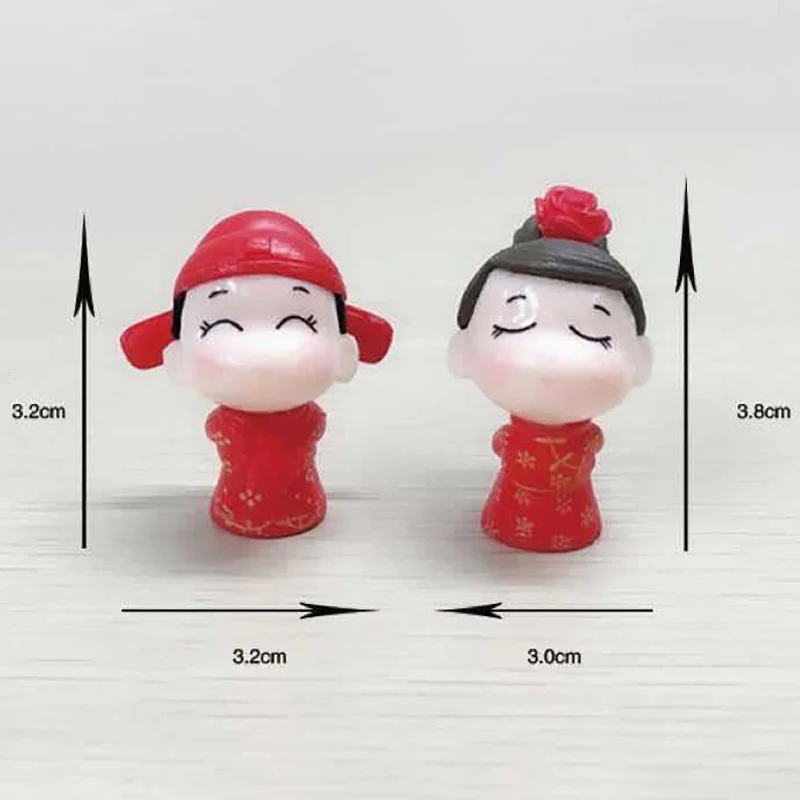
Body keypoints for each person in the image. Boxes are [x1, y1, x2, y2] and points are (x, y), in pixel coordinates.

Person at [121, 211, 393, 538]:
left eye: (300, 322)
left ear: (345, 352)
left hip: (297, 500)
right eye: (219, 325)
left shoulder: (262, 422)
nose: (261, 350)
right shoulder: (295, 420)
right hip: (242, 501)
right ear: (177, 357)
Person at [448, 186, 652, 551]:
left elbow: (504, 444)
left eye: (592, 333)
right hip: (515, 501)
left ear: (641, 360)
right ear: (462, 349)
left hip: (574, 507)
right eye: (515, 324)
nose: (551, 359)